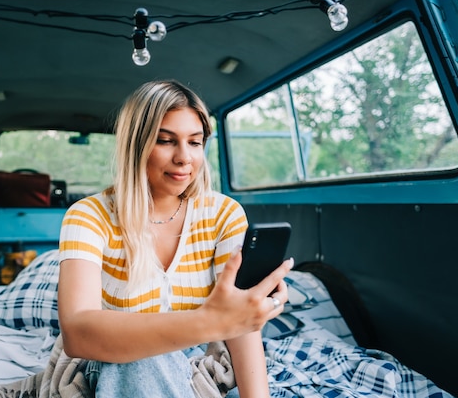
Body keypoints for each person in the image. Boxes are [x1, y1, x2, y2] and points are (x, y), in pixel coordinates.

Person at [57, 79, 293, 397]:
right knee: (140, 360)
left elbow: (241, 328)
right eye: (166, 141)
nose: (184, 158)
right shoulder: (88, 216)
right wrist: (214, 322)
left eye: (195, 143)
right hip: (118, 361)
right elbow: (77, 334)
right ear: (135, 145)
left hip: (197, 363)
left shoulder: (224, 214)